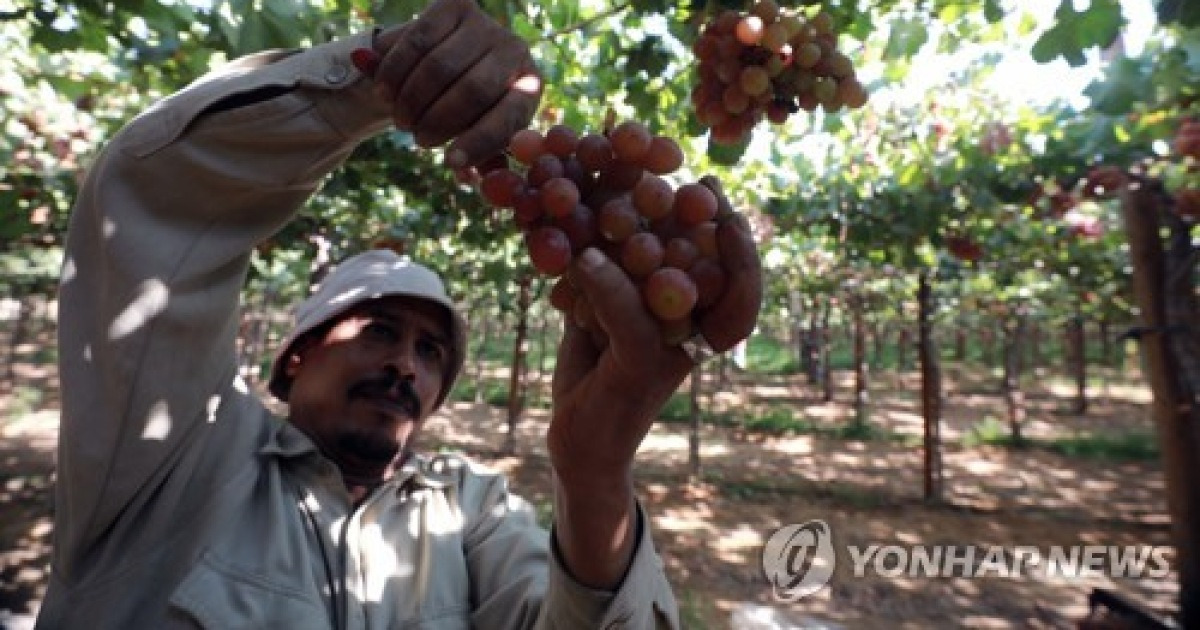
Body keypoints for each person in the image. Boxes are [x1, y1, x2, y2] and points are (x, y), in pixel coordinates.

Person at [37, 0, 763, 627]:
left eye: (430, 352)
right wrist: (384, 79)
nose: (405, 366)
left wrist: (597, 474)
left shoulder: (472, 509)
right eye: (380, 330)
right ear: (296, 354)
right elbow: (157, 198)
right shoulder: (179, 460)